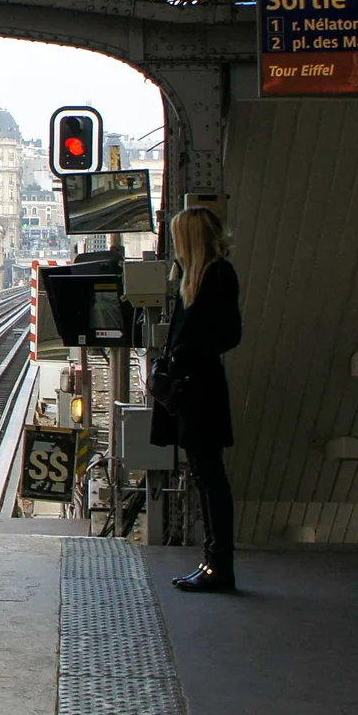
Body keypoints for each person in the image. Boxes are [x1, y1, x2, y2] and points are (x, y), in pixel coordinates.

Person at [148, 205, 239, 593]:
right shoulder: (197, 276)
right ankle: (213, 562)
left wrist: (181, 356)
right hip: (195, 389)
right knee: (204, 475)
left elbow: (227, 334)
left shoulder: (212, 275)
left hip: (197, 389)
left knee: (209, 476)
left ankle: (218, 564)